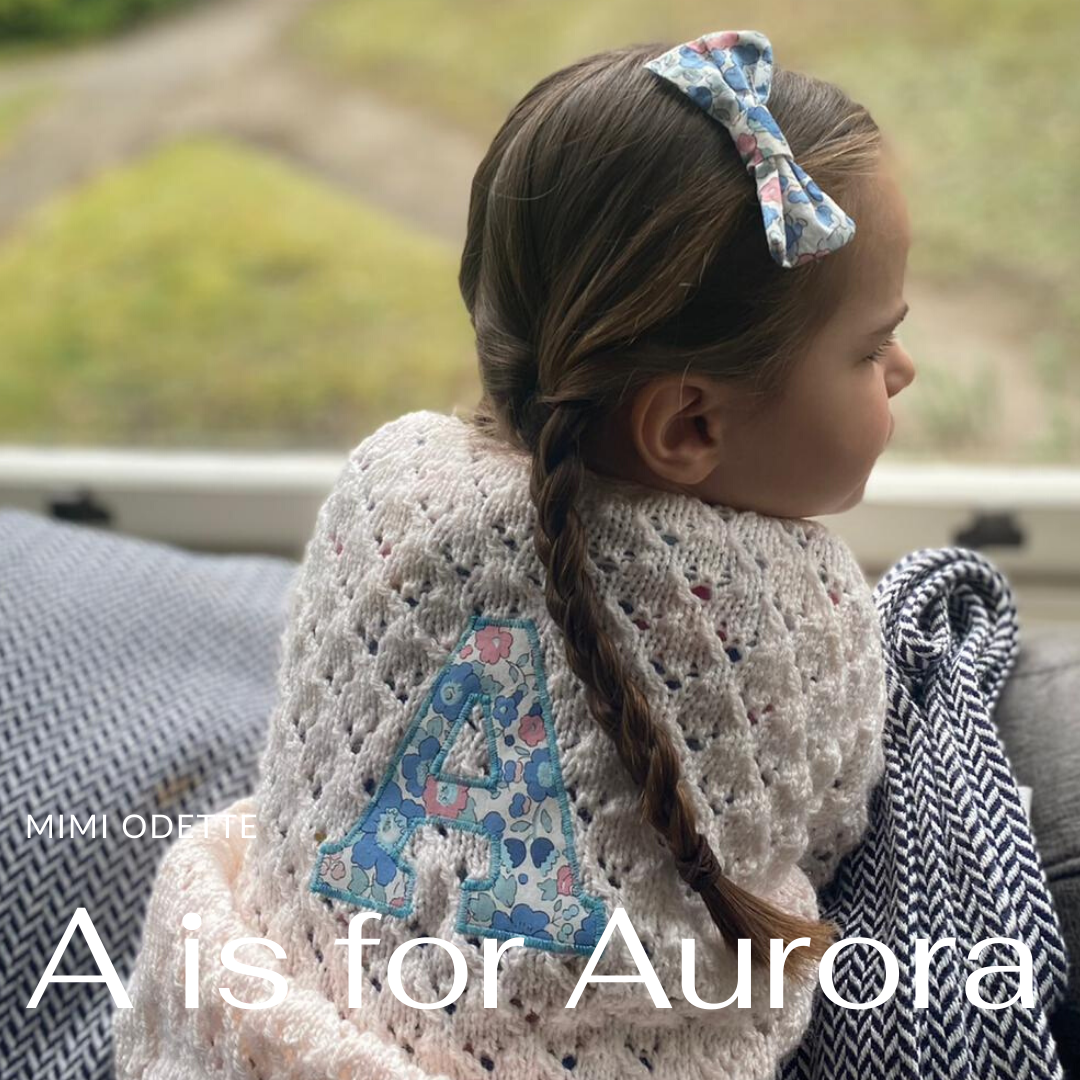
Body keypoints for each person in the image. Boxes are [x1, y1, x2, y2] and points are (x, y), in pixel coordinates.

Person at [114, 29, 916, 1080]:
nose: (902, 369)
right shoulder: (801, 610)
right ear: (688, 425)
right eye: (871, 347)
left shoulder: (388, 482)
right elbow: (827, 839)